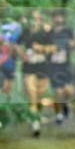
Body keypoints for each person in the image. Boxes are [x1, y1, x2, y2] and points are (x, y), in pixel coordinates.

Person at [20, 9, 54, 137]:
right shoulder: (25, 32)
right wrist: (22, 53)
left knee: (39, 96)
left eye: (37, 18)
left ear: (40, 19)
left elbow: (54, 48)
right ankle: (35, 125)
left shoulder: (46, 33)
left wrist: (42, 48)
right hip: (28, 68)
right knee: (32, 96)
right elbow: (17, 46)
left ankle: (35, 115)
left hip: (43, 68)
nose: (34, 20)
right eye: (32, 18)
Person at [49, 11, 75, 124]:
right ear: (53, 19)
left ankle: (66, 104)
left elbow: (74, 44)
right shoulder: (49, 33)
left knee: (68, 91)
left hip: (66, 65)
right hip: (53, 66)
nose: (58, 19)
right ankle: (59, 115)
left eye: (60, 17)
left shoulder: (68, 31)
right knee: (58, 91)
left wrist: (71, 44)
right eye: (56, 17)